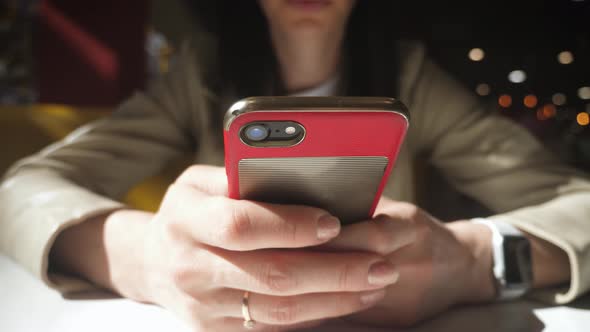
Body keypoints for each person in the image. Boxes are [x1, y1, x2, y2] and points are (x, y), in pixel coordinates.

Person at [1, 1, 589, 331]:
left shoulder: (412, 81)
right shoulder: (200, 78)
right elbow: (19, 187)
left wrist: (472, 260)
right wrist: (142, 255)